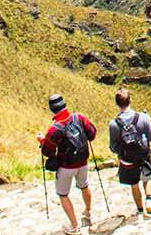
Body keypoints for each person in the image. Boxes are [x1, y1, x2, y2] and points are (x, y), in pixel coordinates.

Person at [38, 94, 98, 235]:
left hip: (65, 167)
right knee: (84, 186)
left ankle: (74, 226)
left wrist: (41, 140)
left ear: (52, 109)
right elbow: (93, 134)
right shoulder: (80, 118)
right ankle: (88, 212)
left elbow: (47, 151)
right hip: (83, 162)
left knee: (63, 194)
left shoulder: (54, 130)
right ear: (65, 105)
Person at [109, 88, 151, 217]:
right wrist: (150, 122)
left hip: (127, 160)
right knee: (148, 177)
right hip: (144, 155)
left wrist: (121, 153)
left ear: (117, 104)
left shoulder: (114, 124)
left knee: (134, 184)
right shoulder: (143, 117)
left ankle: (140, 210)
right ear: (130, 100)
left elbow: (113, 146)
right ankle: (149, 200)